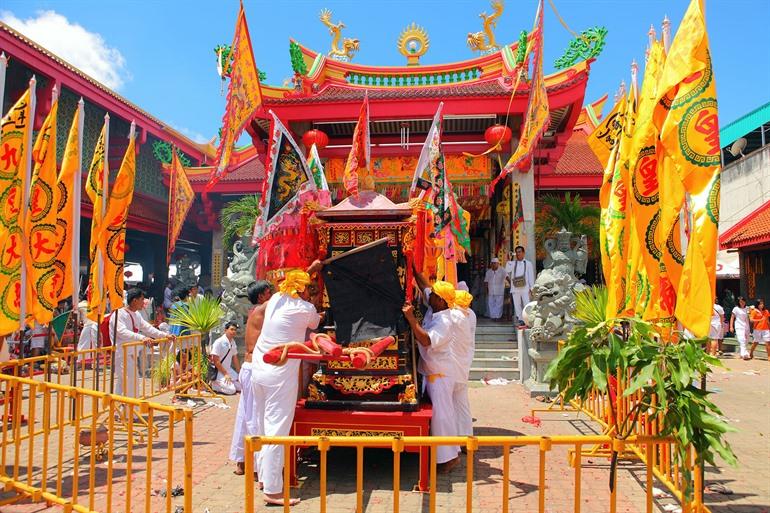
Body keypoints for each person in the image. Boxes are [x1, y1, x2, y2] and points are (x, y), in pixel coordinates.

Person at [251, 270, 320, 506]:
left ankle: (263, 476)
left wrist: (310, 270)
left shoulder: (275, 300)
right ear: (302, 290)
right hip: (279, 375)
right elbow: (316, 322)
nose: (311, 292)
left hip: (259, 370)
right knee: (276, 430)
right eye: (309, 288)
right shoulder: (305, 309)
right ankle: (272, 490)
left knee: (262, 423)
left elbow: (292, 287)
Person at [402, 280, 462, 472]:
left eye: (435, 296)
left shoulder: (445, 321)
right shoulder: (435, 309)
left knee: (441, 416)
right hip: (431, 370)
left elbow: (427, 340)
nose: (431, 297)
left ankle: (448, 459)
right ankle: (449, 453)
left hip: (441, 373)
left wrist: (412, 319)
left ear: (443, 301)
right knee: (441, 415)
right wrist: (413, 260)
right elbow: (425, 285)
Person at [230, 280, 273, 477]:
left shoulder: (254, 311)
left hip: (248, 367)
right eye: (270, 292)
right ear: (263, 295)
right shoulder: (264, 309)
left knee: (245, 415)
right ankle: (255, 466)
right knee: (256, 415)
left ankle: (241, 461)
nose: (273, 294)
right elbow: (286, 295)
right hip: (255, 367)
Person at [110, 288, 174, 397]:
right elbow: (121, 332)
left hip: (131, 353)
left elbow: (148, 328)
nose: (144, 302)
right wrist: (141, 338)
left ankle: (117, 407)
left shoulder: (136, 315)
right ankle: (129, 410)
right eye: (142, 299)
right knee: (130, 382)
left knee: (124, 382)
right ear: (134, 300)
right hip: (122, 354)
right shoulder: (119, 314)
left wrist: (164, 335)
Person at [453, 284, 476, 443]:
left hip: (455, 363)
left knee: (453, 402)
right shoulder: (471, 314)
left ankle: (455, 439)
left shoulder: (456, 316)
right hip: (464, 359)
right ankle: (466, 436)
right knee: (461, 402)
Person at [209, 322, 242, 395]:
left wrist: (239, 373)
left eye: (235, 330)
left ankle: (229, 383)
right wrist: (226, 374)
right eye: (231, 329)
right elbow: (215, 360)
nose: (233, 332)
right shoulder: (219, 342)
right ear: (225, 330)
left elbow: (235, 358)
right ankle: (214, 385)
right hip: (219, 371)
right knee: (231, 390)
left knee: (242, 386)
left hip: (228, 369)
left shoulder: (233, 342)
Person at [507, 246, 535, 326]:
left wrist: (531, 288)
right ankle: (520, 319)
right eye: (517, 252)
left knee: (527, 303)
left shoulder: (528, 263)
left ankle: (528, 319)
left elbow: (531, 276)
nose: (518, 254)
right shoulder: (513, 263)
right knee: (517, 304)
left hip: (525, 288)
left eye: (520, 252)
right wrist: (509, 259)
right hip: (515, 288)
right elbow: (507, 270)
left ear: (523, 253)